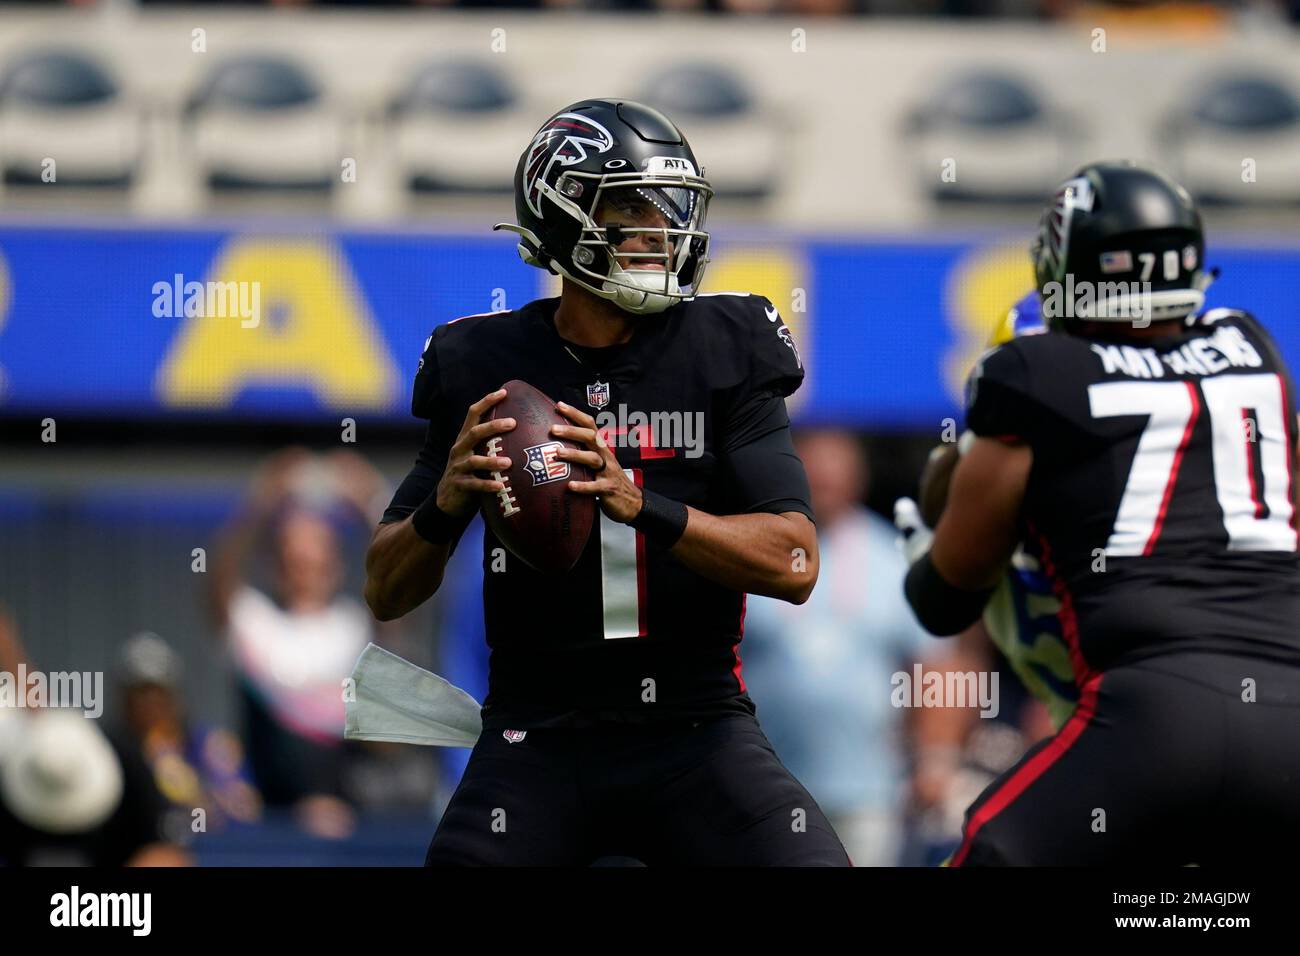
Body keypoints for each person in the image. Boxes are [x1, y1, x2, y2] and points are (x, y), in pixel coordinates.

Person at [364, 98, 849, 866]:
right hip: (537, 737)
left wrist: (643, 505)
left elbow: (795, 563)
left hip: (699, 730)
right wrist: (444, 506)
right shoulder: (483, 367)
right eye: (632, 206)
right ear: (561, 216)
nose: (662, 228)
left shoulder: (726, 349)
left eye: (671, 206)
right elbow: (385, 589)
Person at [900, 160, 1300, 865]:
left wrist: (934, 544)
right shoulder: (1254, 345)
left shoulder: (1032, 373)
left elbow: (941, 601)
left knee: (988, 852)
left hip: (1158, 714)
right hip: (1290, 711)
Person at [739, 429, 942, 866]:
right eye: (816, 475)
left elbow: (932, 665)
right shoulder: (752, 549)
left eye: (836, 476)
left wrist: (933, 759)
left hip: (867, 792)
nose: (826, 486)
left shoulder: (891, 556)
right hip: (768, 787)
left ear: (858, 480)